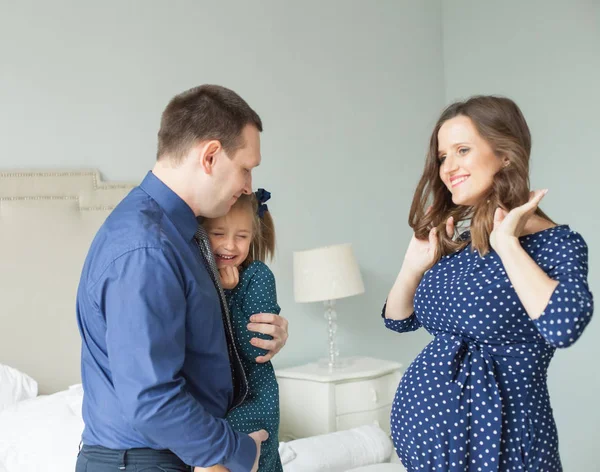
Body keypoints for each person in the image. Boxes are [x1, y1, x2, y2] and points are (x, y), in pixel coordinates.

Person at [75, 85, 289, 472]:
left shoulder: (182, 236)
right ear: (210, 156)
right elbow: (151, 399)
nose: (248, 186)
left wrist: (262, 331)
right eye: (245, 168)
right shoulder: (146, 249)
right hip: (144, 462)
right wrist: (239, 451)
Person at [383, 95, 593, 471]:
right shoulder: (462, 244)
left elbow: (563, 326)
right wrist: (412, 266)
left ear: (506, 154)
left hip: (504, 449)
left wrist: (508, 244)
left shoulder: (555, 243)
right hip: (431, 458)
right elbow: (398, 320)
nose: (449, 167)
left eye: (462, 149)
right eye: (443, 156)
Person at [196, 189, 282, 472]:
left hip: (251, 401)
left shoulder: (257, 277)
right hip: (215, 403)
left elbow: (256, 348)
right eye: (218, 234)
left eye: (241, 236)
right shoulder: (196, 278)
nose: (230, 246)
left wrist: (227, 297)